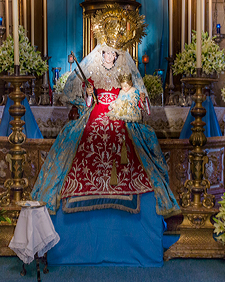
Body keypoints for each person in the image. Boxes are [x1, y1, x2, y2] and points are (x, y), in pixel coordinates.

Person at [31, 41, 179, 219]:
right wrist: (88, 93)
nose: (108, 57)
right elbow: (89, 103)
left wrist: (136, 99)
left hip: (119, 112)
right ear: (101, 55)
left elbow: (133, 95)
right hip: (96, 112)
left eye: (112, 54)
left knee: (126, 139)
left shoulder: (123, 75)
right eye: (105, 54)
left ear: (116, 57)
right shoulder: (94, 76)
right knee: (87, 136)